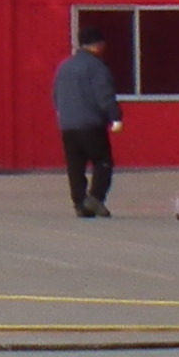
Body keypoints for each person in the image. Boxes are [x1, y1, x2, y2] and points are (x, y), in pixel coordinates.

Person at [53, 28, 122, 217]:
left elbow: (55, 95)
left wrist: (63, 115)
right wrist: (115, 116)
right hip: (91, 124)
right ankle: (95, 197)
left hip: (68, 126)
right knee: (103, 162)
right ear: (97, 44)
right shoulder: (97, 67)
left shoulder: (64, 67)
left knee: (75, 166)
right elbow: (104, 95)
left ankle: (79, 203)